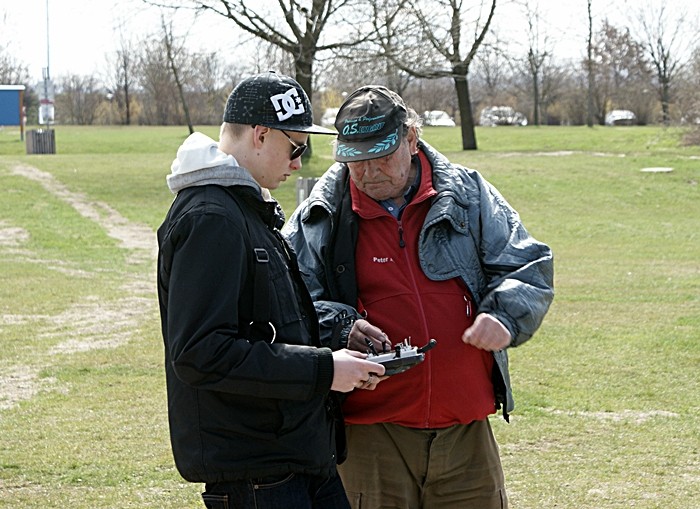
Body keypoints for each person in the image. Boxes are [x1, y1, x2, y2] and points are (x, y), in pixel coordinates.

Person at [282, 85, 554, 508]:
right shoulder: (320, 214)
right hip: (368, 435)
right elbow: (287, 303)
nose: (369, 172)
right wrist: (341, 326)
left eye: (381, 156)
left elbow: (527, 265)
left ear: (411, 139)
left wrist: (504, 314)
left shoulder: (468, 193)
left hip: (466, 431)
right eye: (356, 161)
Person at [156, 71, 385, 509]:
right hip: (257, 475)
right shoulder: (211, 218)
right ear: (261, 135)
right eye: (295, 146)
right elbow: (201, 352)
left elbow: (266, 321)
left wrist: (337, 334)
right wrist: (324, 370)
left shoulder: (243, 208)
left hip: (294, 459)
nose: (299, 162)